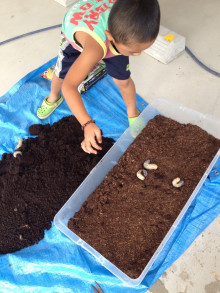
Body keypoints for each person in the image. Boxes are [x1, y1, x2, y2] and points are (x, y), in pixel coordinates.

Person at [37, 0, 160, 154]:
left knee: (124, 80)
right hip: (77, 29)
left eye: (142, 49)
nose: (138, 54)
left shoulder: (126, 34)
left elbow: (125, 75)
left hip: (112, 36)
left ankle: (133, 113)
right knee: (62, 74)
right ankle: (53, 97)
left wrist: (127, 49)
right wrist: (87, 123)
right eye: (132, 51)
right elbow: (69, 87)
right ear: (110, 37)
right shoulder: (95, 49)